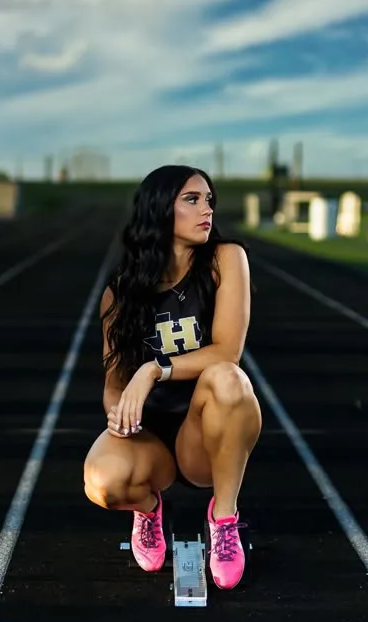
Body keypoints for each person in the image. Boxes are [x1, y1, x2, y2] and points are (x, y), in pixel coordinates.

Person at [83, 165, 262, 590]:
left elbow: (227, 352)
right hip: (153, 438)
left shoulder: (226, 260)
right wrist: (119, 417)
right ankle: (147, 510)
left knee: (229, 379)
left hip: (205, 429)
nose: (208, 210)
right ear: (161, 210)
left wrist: (154, 369)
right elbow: (114, 380)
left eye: (209, 200)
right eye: (193, 199)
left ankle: (224, 518)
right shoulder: (122, 291)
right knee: (102, 482)